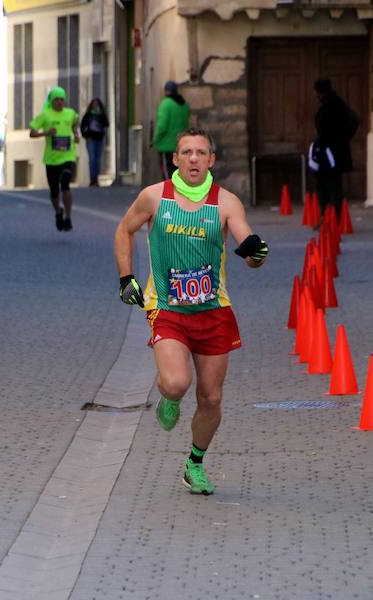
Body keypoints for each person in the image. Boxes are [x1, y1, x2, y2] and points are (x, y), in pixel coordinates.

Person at [114, 127, 268, 496]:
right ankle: (168, 398)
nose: (194, 158)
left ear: (212, 160)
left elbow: (248, 246)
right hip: (167, 307)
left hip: (214, 310)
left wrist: (256, 254)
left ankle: (194, 464)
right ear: (175, 159)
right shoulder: (154, 197)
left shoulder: (226, 203)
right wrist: (126, 278)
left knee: (211, 398)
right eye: (187, 152)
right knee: (176, 382)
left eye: (201, 152)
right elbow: (124, 230)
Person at [29, 87, 79, 231]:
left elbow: (75, 124)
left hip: (68, 156)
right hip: (51, 159)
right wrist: (46, 133)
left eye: (62, 99)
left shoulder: (70, 114)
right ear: (51, 101)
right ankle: (58, 212)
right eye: (56, 99)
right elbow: (32, 133)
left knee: (65, 183)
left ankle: (68, 217)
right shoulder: (45, 115)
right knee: (54, 191)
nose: (59, 102)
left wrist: (76, 135)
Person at [310, 79, 358, 220]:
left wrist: (334, 140)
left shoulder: (334, 105)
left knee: (331, 185)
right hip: (329, 151)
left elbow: (329, 129)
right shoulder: (332, 104)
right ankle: (328, 215)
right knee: (328, 183)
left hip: (331, 153)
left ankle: (332, 216)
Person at [153, 81, 191, 179]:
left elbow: (162, 127)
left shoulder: (165, 104)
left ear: (166, 91)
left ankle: (170, 194)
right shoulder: (184, 105)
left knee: (167, 175)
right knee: (179, 175)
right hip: (181, 146)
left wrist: (155, 140)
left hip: (166, 147)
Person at [80, 98, 110, 186]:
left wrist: (101, 114)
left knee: (97, 160)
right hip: (90, 139)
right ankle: (92, 179)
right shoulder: (88, 115)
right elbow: (82, 126)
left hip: (99, 139)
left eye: (97, 104)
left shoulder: (101, 114)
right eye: (94, 104)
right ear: (91, 105)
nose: (95, 105)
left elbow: (106, 124)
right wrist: (85, 136)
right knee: (92, 159)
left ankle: (96, 179)